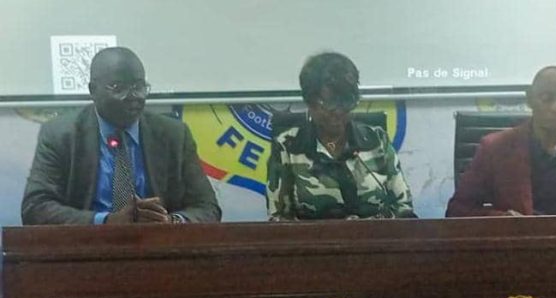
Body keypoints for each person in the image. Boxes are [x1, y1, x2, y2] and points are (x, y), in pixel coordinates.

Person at [22, 47, 221, 225]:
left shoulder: (174, 135)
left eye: (139, 86)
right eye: (118, 88)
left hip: (158, 245)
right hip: (89, 246)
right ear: (93, 90)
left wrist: (171, 222)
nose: (133, 96)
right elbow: (35, 207)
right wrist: (106, 221)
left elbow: (207, 207)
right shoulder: (61, 135)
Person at [446, 66, 556, 217]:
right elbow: (457, 209)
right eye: (546, 98)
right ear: (530, 99)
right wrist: (499, 219)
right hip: (519, 238)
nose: (555, 107)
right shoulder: (495, 147)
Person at [266, 52, 415, 220]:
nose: (338, 112)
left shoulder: (376, 140)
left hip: (375, 236)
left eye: (345, 103)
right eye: (329, 104)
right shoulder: (288, 147)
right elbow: (278, 219)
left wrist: (371, 227)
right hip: (315, 237)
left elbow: (404, 209)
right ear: (310, 102)